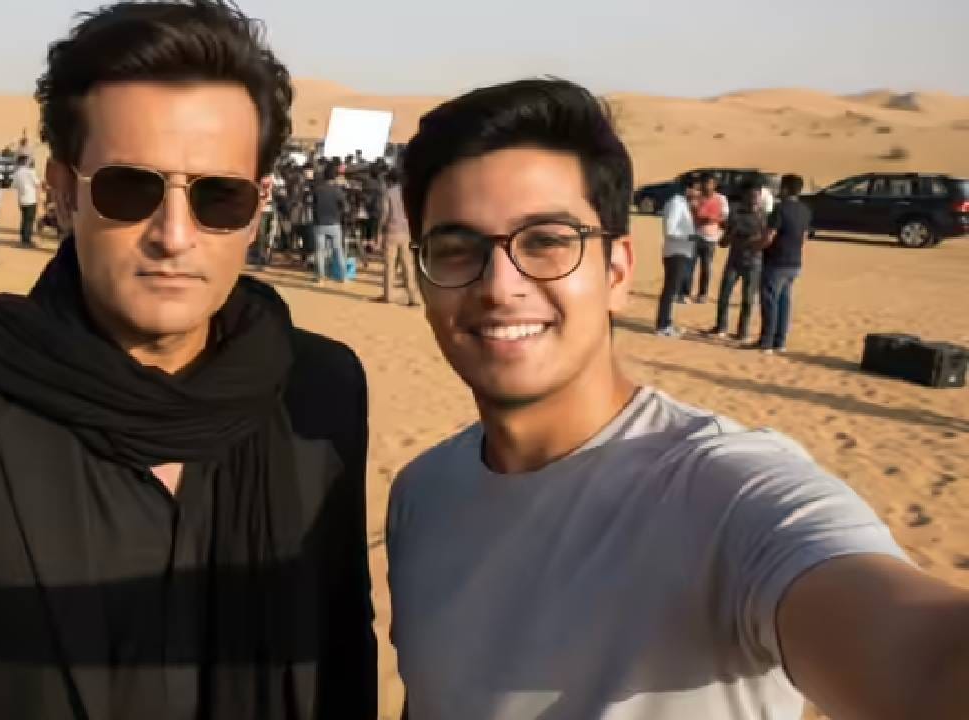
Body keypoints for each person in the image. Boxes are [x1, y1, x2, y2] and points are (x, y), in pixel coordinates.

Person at [0, 3, 376, 719]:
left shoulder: (322, 392)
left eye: (219, 196)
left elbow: (343, 653)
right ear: (63, 189)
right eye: (129, 189)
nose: (174, 235)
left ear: (259, 205)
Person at [386, 77, 969, 720]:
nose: (500, 286)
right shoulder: (422, 494)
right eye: (457, 249)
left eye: (547, 241)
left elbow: (924, 659)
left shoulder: (726, 495)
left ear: (617, 272)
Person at [755, 173, 811, 354]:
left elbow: (769, 236)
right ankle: (780, 342)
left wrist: (756, 247)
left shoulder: (779, 209)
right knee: (784, 302)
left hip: (776, 261)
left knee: (770, 301)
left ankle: (767, 341)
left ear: (785, 189)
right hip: (794, 262)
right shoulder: (805, 210)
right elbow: (804, 237)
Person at [705, 181, 766, 341]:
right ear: (745, 196)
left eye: (757, 196)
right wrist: (731, 234)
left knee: (748, 299)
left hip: (753, 262)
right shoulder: (736, 214)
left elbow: (766, 239)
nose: (754, 199)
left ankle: (742, 332)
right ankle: (721, 327)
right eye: (751, 196)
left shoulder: (764, 217)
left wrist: (751, 240)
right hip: (735, 260)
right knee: (724, 294)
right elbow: (724, 241)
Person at [371, 169, 419, 306]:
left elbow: (384, 214)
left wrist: (379, 232)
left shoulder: (388, 193)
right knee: (408, 265)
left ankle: (388, 296)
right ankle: (413, 297)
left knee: (389, 265)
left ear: (390, 180)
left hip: (391, 232)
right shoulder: (408, 193)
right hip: (406, 232)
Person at [655, 180, 696, 336]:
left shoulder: (683, 203)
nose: (698, 193)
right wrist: (690, 237)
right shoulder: (676, 203)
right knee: (670, 290)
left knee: (673, 290)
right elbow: (669, 230)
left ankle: (667, 323)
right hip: (676, 252)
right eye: (696, 189)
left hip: (681, 251)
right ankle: (663, 326)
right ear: (688, 189)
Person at [684, 172, 728, 303]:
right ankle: (685, 292)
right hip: (694, 235)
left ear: (715, 185)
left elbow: (724, 217)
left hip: (711, 238)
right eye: (704, 183)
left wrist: (710, 219)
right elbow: (691, 214)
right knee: (689, 266)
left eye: (709, 183)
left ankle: (702, 294)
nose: (706, 186)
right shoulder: (695, 197)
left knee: (706, 267)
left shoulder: (721, 199)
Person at [311, 163, 349, 282]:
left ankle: (320, 277)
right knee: (338, 250)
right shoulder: (337, 190)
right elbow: (345, 207)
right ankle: (343, 277)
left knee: (320, 251)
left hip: (319, 224)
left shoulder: (317, 190)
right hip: (334, 223)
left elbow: (313, 206)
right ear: (335, 176)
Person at [12, 156, 42, 248]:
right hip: (31, 199)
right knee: (29, 220)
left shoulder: (16, 173)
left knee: (24, 220)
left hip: (21, 199)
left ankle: (23, 239)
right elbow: (37, 183)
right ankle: (26, 241)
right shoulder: (30, 172)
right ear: (25, 162)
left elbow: (14, 186)